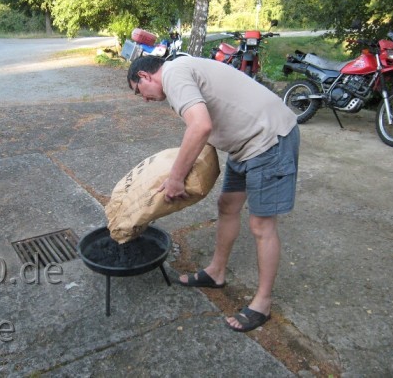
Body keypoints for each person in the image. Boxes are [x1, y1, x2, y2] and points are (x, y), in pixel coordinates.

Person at [127, 55, 299, 333]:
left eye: (138, 91)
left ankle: (263, 303)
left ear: (145, 77)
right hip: (245, 145)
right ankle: (216, 272)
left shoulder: (173, 74)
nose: (143, 99)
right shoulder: (180, 70)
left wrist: (176, 178)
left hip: (269, 139)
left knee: (262, 224)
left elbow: (200, 126)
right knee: (227, 205)